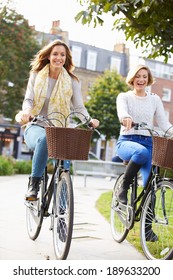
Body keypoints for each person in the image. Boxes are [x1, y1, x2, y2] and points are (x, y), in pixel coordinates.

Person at [15, 39, 99, 201]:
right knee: (46, 138)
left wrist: (90, 120)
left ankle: (62, 215)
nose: (58, 58)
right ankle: (34, 185)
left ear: (66, 58)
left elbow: (79, 107)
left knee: (64, 168)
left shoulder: (72, 81)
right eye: (55, 54)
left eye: (62, 55)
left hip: (60, 129)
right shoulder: (36, 75)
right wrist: (27, 112)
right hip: (36, 126)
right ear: (48, 56)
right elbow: (29, 100)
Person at [115, 64, 173, 241]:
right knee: (140, 153)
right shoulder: (124, 97)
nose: (141, 80)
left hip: (148, 143)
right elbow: (122, 111)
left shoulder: (154, 99)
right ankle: (123, 188)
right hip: (127, 142)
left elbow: (163, 124)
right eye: (138, 76)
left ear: (148, 80)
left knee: (151, 186)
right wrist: (126, 118)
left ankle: (147, 230)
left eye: (145, 77)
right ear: (132, 78)